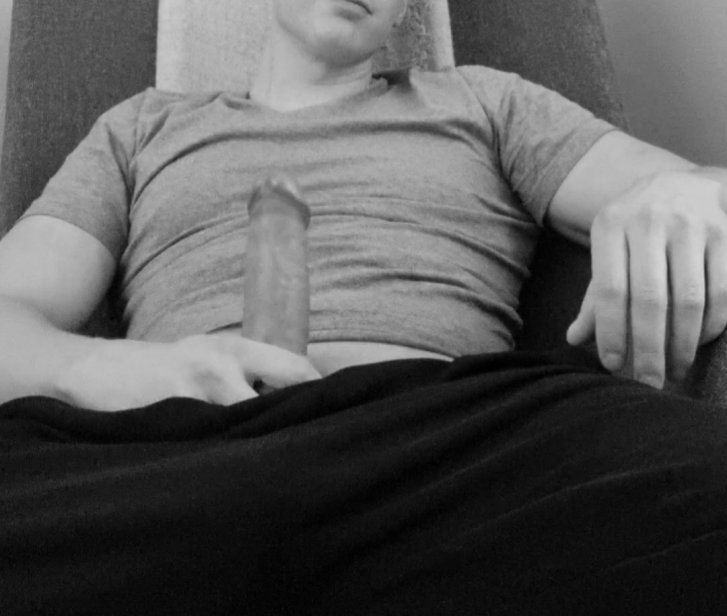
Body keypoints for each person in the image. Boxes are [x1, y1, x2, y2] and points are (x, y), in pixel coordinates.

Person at [1, 1, 726, 614]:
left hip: (450, 449)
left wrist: (693, 191)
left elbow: (696, 190)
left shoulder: (487, 102)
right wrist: (111, 372)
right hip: (170, 454)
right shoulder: (139, 128)